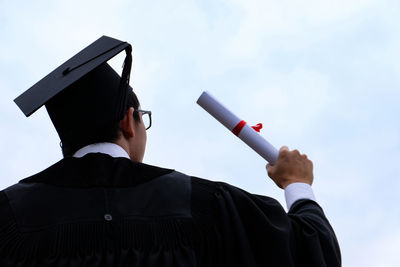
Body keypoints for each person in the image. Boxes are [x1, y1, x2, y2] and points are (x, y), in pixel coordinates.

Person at [0, 36, 341, 266]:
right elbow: (314, 251)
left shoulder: (8, 214)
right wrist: (297, 183)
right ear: (128, 123)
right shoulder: (208, 204)